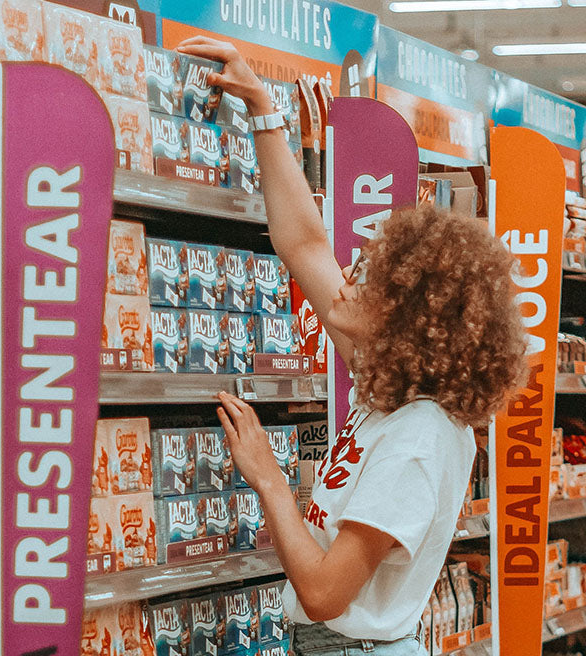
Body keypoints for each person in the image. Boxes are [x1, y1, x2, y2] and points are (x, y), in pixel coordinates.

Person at [176, 37, 527, 656]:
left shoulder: (419, 441)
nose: (349, 278)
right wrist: (263, 108)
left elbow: (323, 594)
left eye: (370, 279)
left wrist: (269, 478)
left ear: (407, 316)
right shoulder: (401, 397)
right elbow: (305, 245)